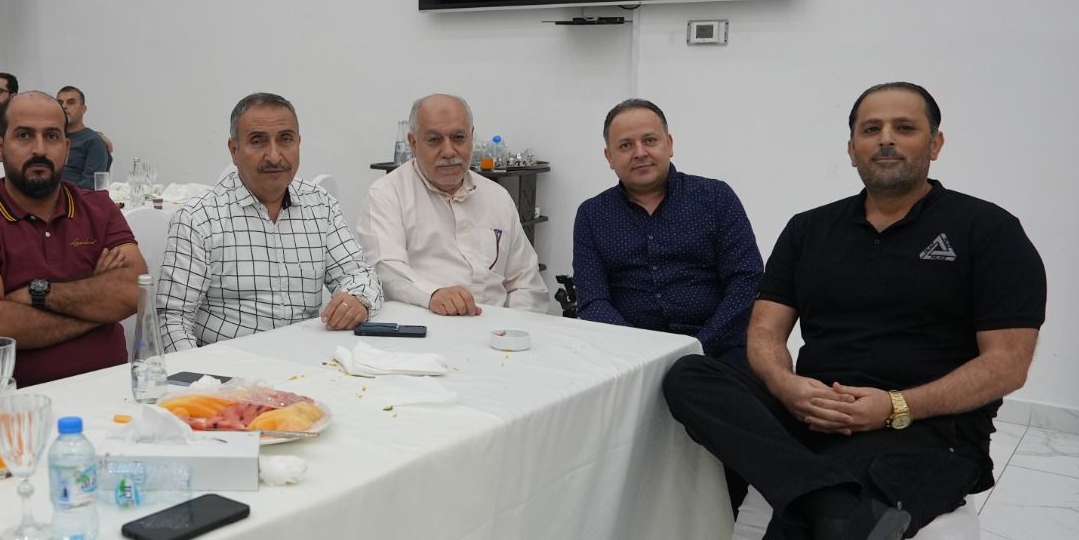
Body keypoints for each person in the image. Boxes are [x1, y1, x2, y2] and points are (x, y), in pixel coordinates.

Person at [617, 82, 1046, 540]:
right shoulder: (811, 229)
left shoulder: (987, 230)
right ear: (850, 147)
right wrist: (788, 388)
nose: (887, 140)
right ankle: (828, 502)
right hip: (813, 412)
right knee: (691, 375)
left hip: (926, 432)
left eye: (904, 127)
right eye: (870, 128)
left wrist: (896, 405)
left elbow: (1008, 364)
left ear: (935, 143)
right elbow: (762, 334)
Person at [0, 91, 144, 386]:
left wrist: (38, 293)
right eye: (24, 135)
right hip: (19, 400)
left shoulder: (99, 207)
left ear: (66, 148)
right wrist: (98, 307)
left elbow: (134, 292)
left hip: (113, 389)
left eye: (51, 136)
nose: (39, 149)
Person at [157, 92, 382, 350]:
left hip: (306, 358)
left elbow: (359, 274)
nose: (274, 156)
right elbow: (173, 319)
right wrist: (198, 373)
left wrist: (357, 299)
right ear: (234, 150)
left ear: (298, 143)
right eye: (258, 141)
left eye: (285, 139)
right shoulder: (199, 219)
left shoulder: (320, 205)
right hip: (229, 365)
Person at [572, 98, 763, 361]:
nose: (640, 153)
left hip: (717, 351)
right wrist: (639, 355)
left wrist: (697, 349)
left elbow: (747, 281)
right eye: (626, 145)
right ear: (609, 157)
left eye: (650, 140)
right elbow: (592, 301)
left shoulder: (716, 198)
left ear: (669, 144)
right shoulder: (592, 215)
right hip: (626, 356)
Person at [356, 93, 550, 315]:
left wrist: (513, 325)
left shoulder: (497, 197)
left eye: (458, 138)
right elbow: (386, 270)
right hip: (424, 326)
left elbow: (526, 283)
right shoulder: (387, 195)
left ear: (471, 137)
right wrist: (433, 294)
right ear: (413, 143)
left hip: (497, 328)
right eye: (434, 140)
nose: (448, 151)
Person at [55, 85, 112, 187]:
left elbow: (90, 185)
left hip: (72, 195)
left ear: (83, 109)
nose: (64, 106)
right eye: (60, 103)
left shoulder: (93, 141)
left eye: (70, 102)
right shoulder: (51, 138)